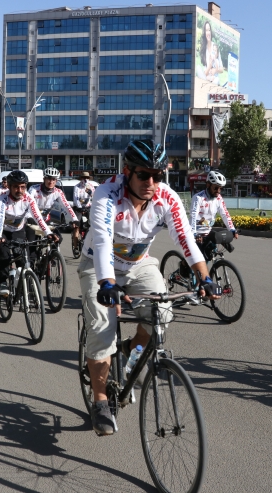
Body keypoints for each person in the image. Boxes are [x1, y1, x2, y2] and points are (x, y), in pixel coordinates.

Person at [78, 139, 222, 436]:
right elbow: (103, 241)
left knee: (162, 315)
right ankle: (101, 400)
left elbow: (186, 240)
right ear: (127, 171)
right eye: (144, 175)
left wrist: (204, 277)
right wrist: (107, 283)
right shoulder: (107, 194)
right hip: (98, 265)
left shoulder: (166, 198)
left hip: (138, 264)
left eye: (158, 175)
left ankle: (130, 353)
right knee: (104, 326)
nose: (152, 182)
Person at [0, 170, 56, 296]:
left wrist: (48, 232)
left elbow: (38, 217)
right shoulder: (2, 199)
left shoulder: (28, 198)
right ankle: (2, 281)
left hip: (18, 231)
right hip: (2, 231)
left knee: (23, 259)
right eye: (16, 187)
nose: (20, 190)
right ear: (9, 187)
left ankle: (24, 285)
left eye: (23, 187)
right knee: (4, 255)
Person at [189, 171, 237, 259]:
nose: (218, 191)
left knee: (224, 246)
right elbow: (193, 215)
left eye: (220, 188)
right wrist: (194, 234)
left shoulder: (218, 198)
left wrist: (232, 229)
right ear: (208, 185)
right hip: (196, 232)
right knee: (196, 259)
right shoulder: (198, 198)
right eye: (216, 188)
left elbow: (225, 214)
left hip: (207, 231)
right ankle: (184, 265)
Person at [28, 167, 79, 245]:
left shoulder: (58, 192)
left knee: (58, 239)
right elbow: (28, 204)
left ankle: (53, 255)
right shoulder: (34, 189)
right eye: (48, 178)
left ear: (56, 181)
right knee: (32, 244)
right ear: (44, 179)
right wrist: (29, 217)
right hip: (33, 220)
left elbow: (66, 206)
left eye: (53, 179)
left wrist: (74, 219)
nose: (51, 182)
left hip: (46, 219)